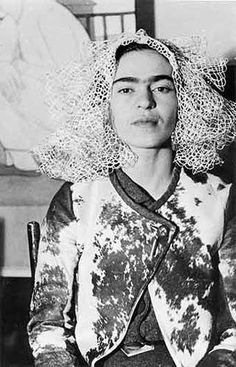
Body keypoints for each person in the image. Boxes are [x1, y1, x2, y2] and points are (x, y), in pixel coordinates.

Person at [27, 29, 236, 366]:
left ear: (185, 101)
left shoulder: (219, 199)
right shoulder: (78, 200)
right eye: (126, 88)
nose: (146, 101)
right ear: (104, 107)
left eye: (162, 87)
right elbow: (48, 326)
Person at [0, 0, 89, 171]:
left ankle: (36, 156)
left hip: (69, 108)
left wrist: (13, 68)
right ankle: (23, 156)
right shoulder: (13, 17)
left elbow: (72, 78)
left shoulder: (46, 14)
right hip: (48, 99)